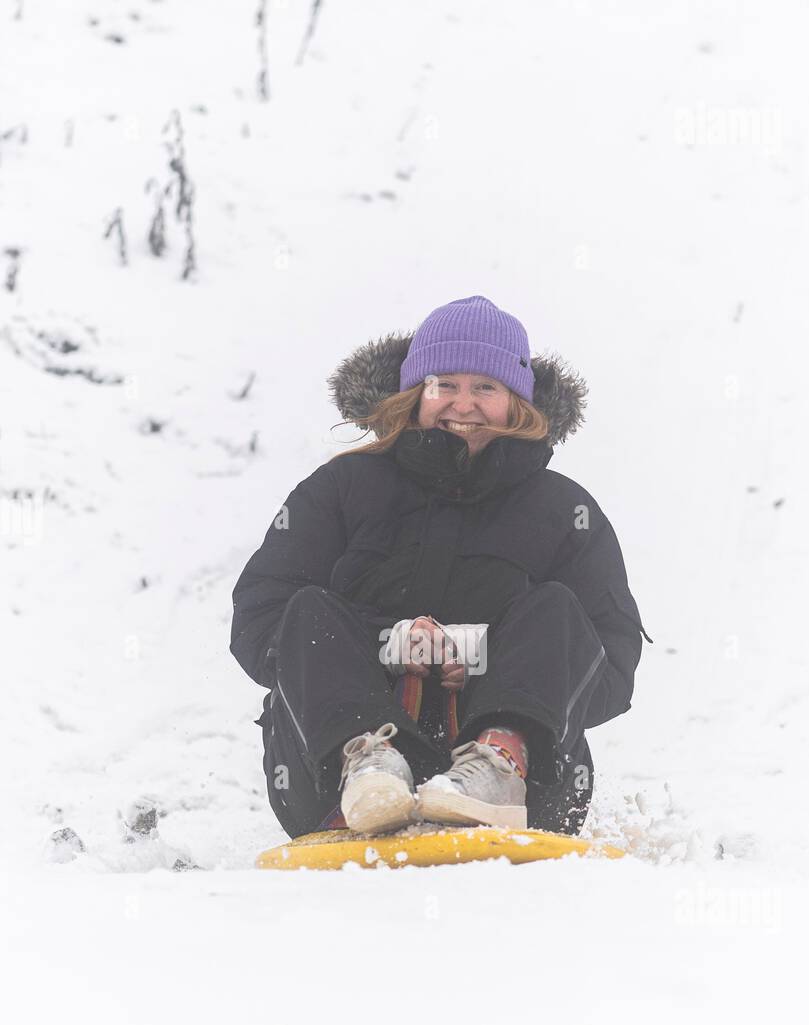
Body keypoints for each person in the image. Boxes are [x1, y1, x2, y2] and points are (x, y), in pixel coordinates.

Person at [230, 295, 652, 839]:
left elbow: (611, 665)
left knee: (558, 610)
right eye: (443, 384)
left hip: (528, 802)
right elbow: (259, 622)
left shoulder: (566, 512)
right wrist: (391, 644)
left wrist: (477, 655)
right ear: (414, 392)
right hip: (331, 789)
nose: (463, 403)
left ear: (516, 401)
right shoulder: (338, 489)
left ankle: (499, 765)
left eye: (485, 387)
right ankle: (370, 767)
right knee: (306, 609)